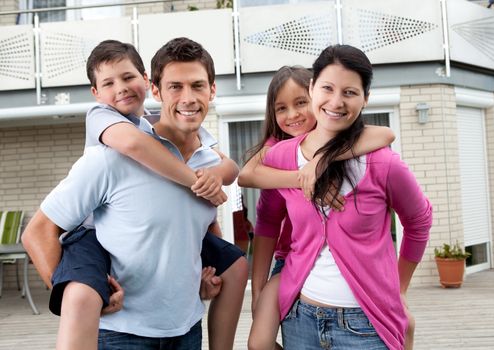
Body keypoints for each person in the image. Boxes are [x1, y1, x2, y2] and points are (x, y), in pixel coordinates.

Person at [22, 37, 247, 350]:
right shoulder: (110, 155)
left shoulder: (211, 164)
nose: (188, 98)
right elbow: (38, 232)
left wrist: (203, 277)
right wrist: (78, 298)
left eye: (197, 85)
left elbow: (199, 229)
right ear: (155, 89)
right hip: (119, 335)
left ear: (212, 89)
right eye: (175, 87)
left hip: (187, 332)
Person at [255, 45, 432, 350]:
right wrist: (260, 291)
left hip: (365, 325)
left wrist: (399, 288)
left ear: (365, 98)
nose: (336, 102)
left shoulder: (383, 163)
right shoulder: (282, 156)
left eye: (350, 92)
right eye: (327, 88)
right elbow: (263, 212)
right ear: (313, 89)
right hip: (300, 321)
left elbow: (419, 221)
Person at [238, 66, 396, 350]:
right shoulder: (277, 151)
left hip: (346, 268)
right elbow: (263, 214)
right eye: (281, 108)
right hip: (290, 260)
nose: (293, 115)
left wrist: (322, 161)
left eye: (300, 103)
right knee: (259, 343)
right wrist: (257, 288)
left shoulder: (345, 138)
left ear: (315, 96)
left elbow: (385, 133)